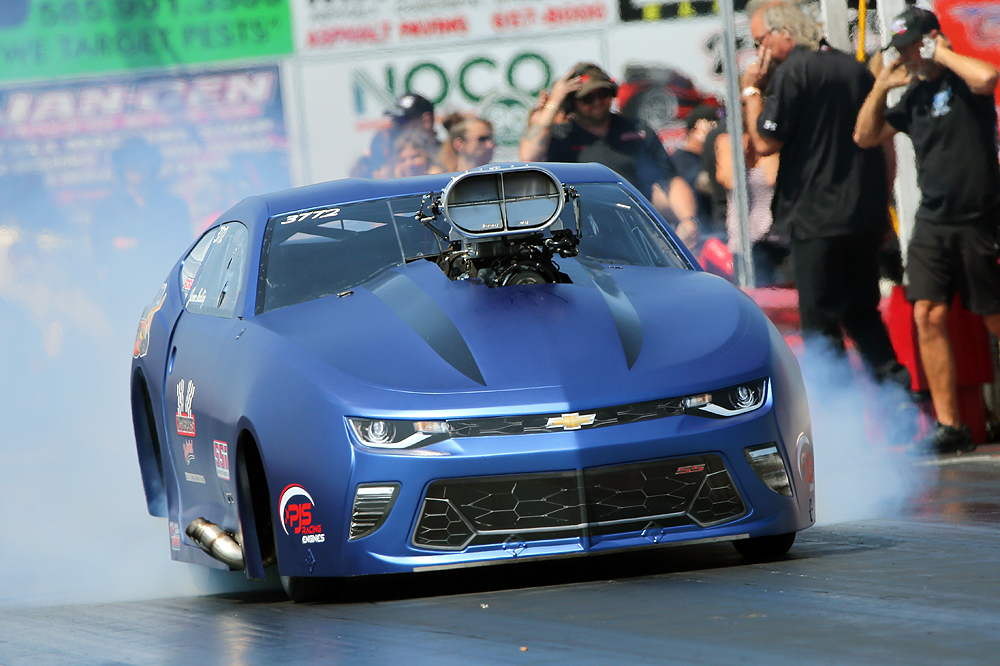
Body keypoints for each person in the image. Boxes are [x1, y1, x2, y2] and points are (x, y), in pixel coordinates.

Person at [740, 1, 910, 390]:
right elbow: (884, 145)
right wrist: (881, 206)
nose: (760, 51)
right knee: (863, 313)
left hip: (815, 219)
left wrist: (752, 90)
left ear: (783, 33)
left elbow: (765, 142)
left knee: (820, 323)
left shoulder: (793, 71)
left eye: (760, 40)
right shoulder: (854, 68)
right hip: (862, 215)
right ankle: (898, 397)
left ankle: (839, 408)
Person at [854, 6, 1000, 453]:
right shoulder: (913, 97)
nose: (907, 57)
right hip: (932, 222)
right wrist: (881, 85)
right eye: (900, 49)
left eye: (912, 47)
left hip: (977, 218)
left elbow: (988, 79)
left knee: (994, 316)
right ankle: (952, 427)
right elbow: (864, 136)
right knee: (927, 315)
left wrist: (943, 54)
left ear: (931, 40)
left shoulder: (963, 79)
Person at [518, 62, 700, 249]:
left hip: (635, 234)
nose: (597, 102)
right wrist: (554, 102)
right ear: (572, 103)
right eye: (588, 98)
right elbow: (528, 156)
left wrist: (688, 220)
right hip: (579, 240)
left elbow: (670, 180)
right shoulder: (560, 137)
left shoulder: (638, 131)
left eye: (603, 94)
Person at [714, 104, 787, 286]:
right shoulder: (725, 141)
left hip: (778, 241)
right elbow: (730, 180)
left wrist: (758, 139)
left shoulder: (772, 144)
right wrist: (741, 150)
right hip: (743, 243)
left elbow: (772, 177)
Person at [672, 104, 720, 231]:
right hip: (700, 231)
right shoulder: (682, 158)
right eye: (712, 128)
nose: (717, 134)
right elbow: (704, 184)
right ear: (695, 130)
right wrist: (710, 142)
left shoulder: (708, 157)